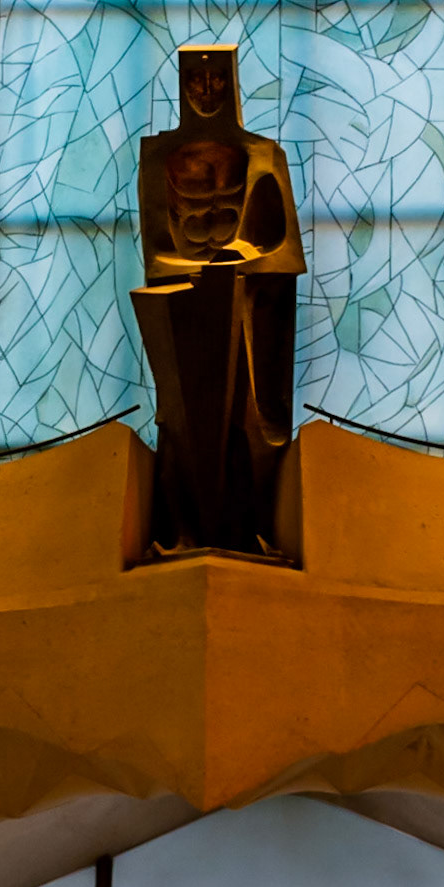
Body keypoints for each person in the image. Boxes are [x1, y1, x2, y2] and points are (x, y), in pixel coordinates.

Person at [132, 44, 305, 554]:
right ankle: (184, 530)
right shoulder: (159, 157)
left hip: (244, 307)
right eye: (195, 82)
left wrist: (241, 258)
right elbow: (157, 248)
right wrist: (197, 272)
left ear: (232, 84)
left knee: (248, 420)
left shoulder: (261, 153)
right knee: (178, 419)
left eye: (216, 82)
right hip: (182, 308)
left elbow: (284, 246)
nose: (206, 92)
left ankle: (249, 531)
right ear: (182, 86)